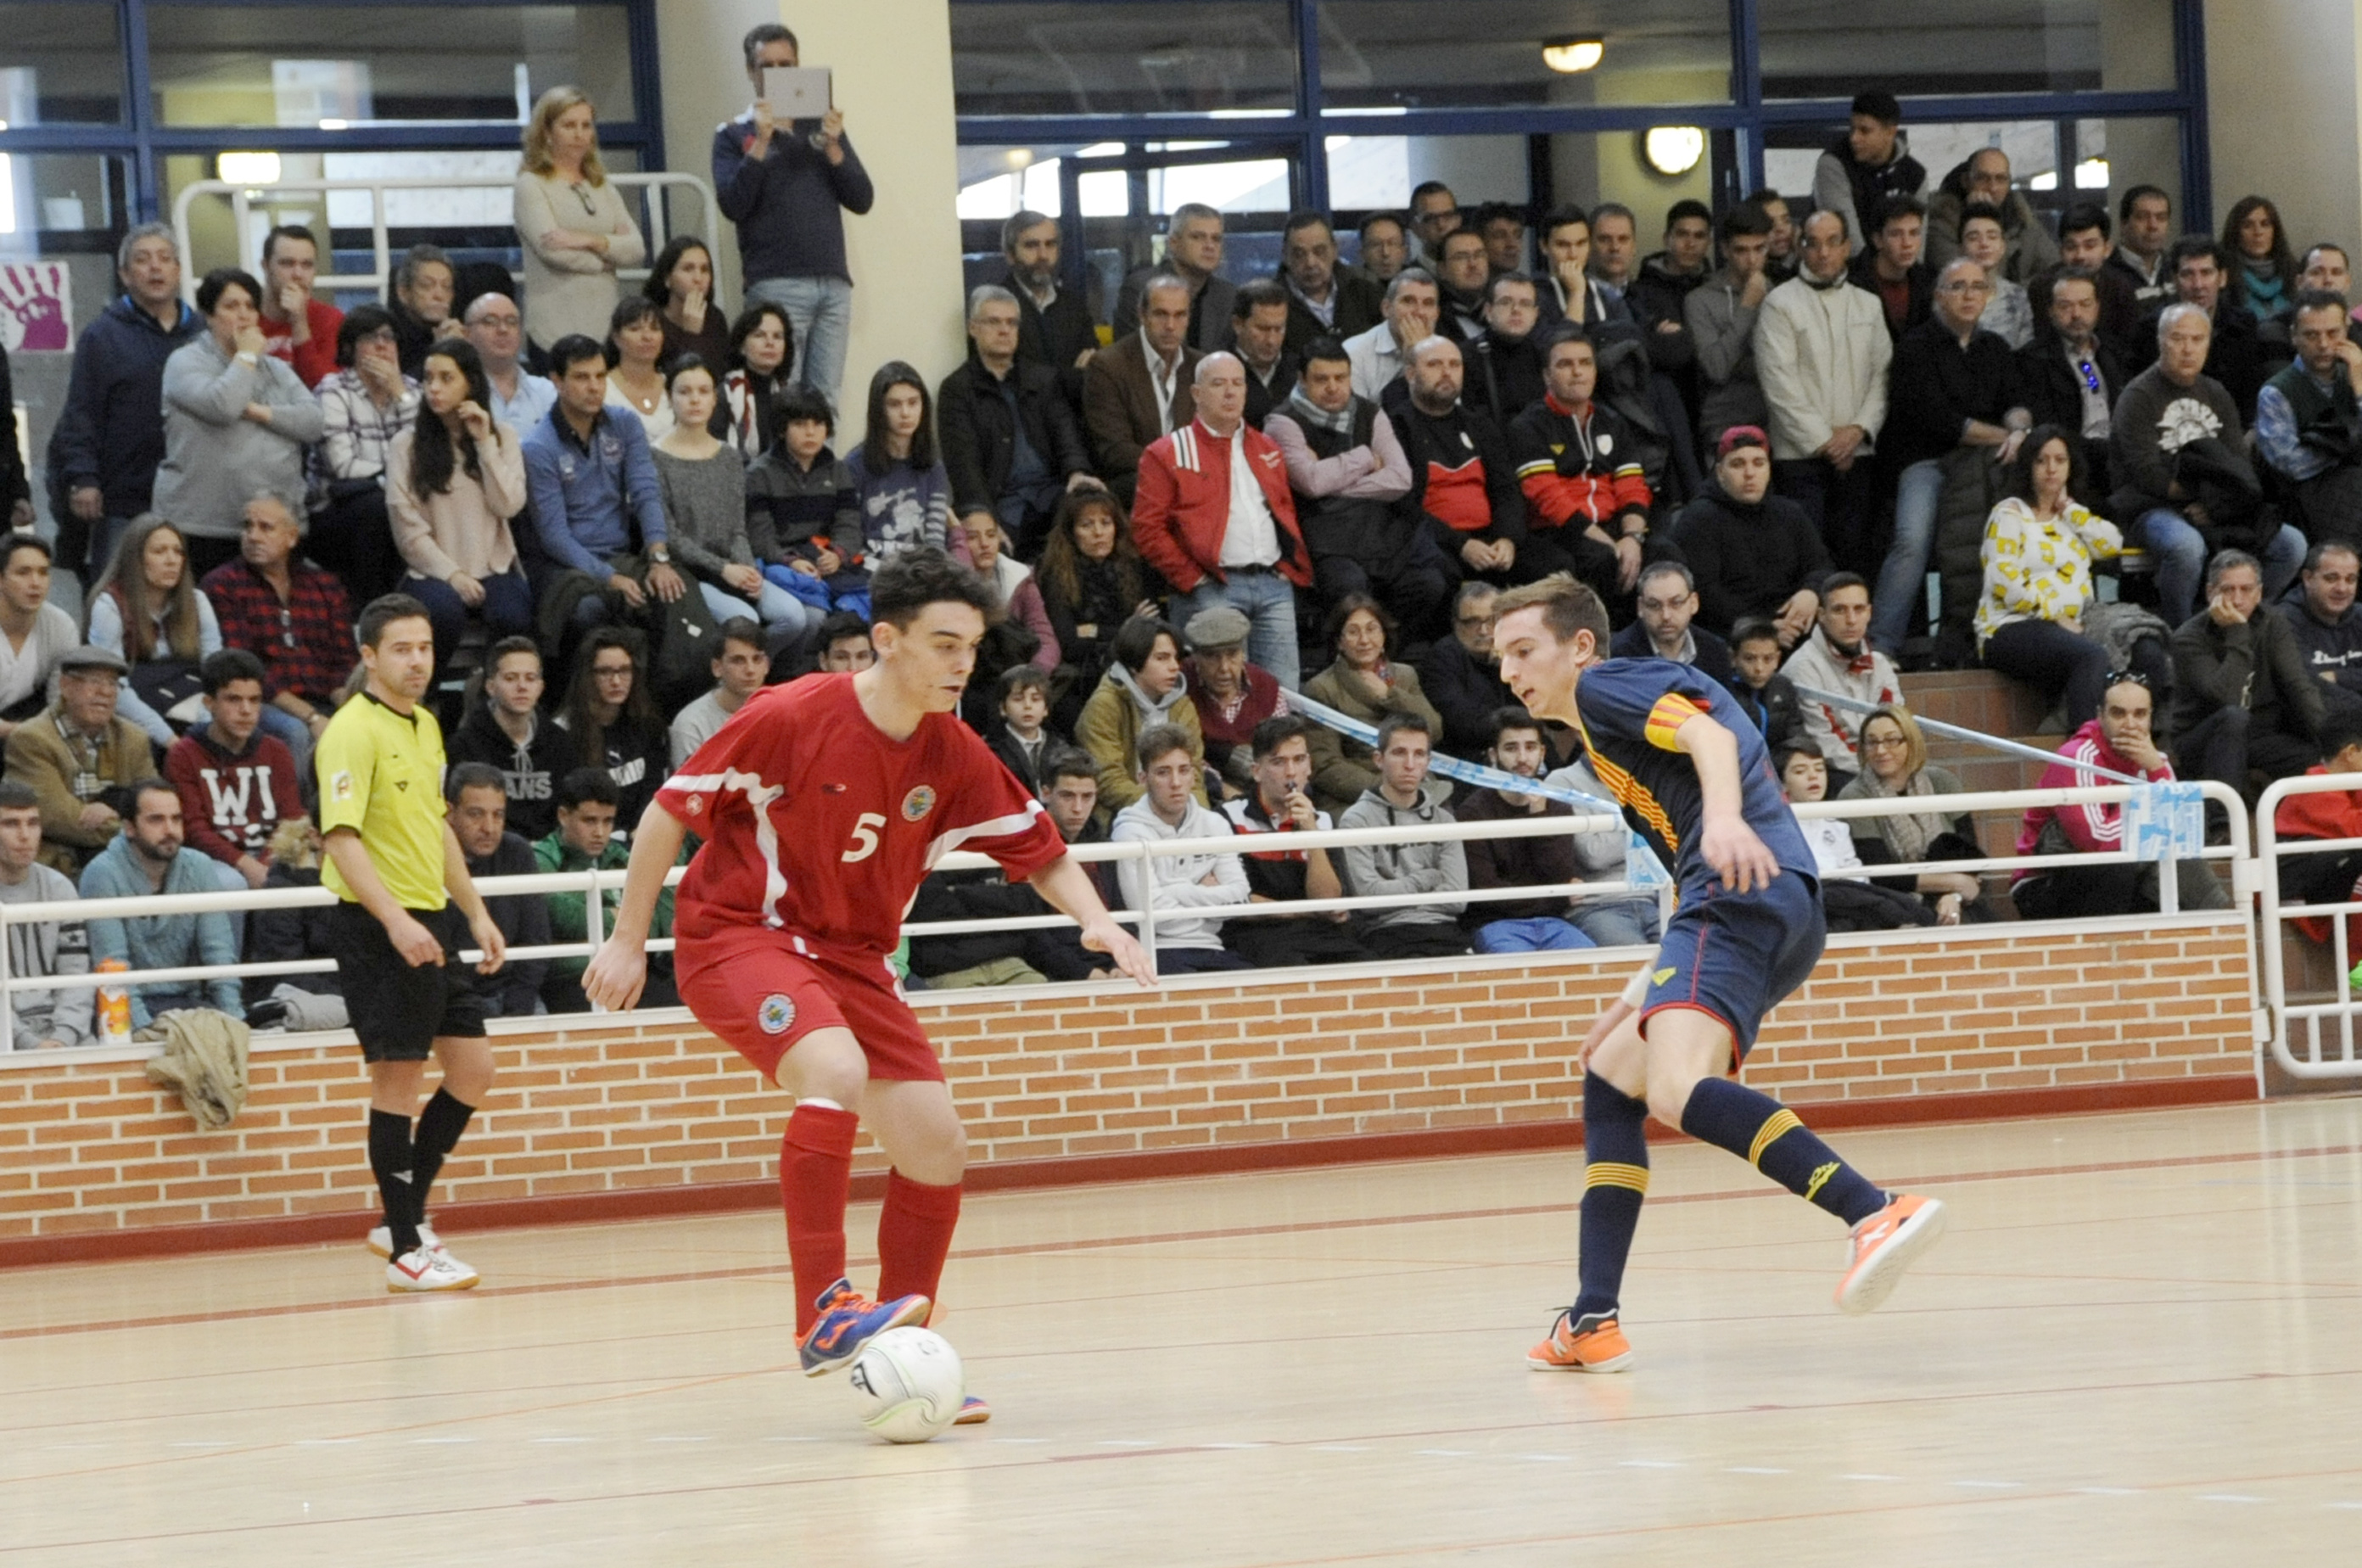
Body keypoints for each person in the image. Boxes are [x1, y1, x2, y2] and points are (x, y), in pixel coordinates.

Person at [580, 549, 1150, 1413]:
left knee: (935, 1144)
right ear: (887, 641)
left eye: (972, 647)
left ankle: (906, 1351)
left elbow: (1040, 850)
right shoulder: (792, 715)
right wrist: (630, 940)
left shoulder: (955, 752)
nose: (963, 664)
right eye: (944, 645)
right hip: (741, 935)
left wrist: (1098, 920)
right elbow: (669, 809)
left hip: (856, 961)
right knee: (835, 1071)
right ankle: (821, 1310)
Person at [1492, 575, 1943, 1375]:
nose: (1509, 672)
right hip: (1761, 901)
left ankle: (1873, 1210)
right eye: (1500, 658)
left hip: (1738, 889)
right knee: (1611, 1074)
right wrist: (1637, 994)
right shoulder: (1603, 731)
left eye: (1525, 650)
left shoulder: (1607, 687)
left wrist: (1726, 819)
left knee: (1672, 1090)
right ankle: (1592, 1318)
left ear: (1581, 647)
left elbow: (1711, 739)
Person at [313, 595, 507, 1290]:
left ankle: (402, 1215)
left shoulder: (426, 726)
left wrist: (476, 912)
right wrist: (395, 920)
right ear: (369, 656)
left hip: (433, 923)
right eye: (401, 648)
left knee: (474, 1068)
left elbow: (436, 829)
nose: (417, 661)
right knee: (397, 1080)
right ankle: (405, 1248)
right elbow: (340, 836)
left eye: (424, 647)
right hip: (380, 926)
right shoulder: (350, 732)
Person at [1873, 258, 2031, 657]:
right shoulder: (1915, 347)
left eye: (1977, 287)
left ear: (1988, 295)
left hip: (1985, 466)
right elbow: (1941, 419)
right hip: (1928, 462)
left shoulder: (1995, 347)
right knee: (1912, 542)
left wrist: (2021, 430)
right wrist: (2006, 435)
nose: (1968, 295)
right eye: (1958, 286)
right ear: (1939, 295)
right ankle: (1880, 646)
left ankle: (1992, 640)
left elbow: (2016, 402)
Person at [2111, 303, 2306, 625]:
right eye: (2178, 339)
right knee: (2186, 547)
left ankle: (2244, 623)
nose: (2188, 349)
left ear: (2208, 344)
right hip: (2152, 508)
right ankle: (2184, 634)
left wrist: (2216, 506)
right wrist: (2211, 501)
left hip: (2217, 506)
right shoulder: (2138, 396)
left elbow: (2238, 464)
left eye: (2197, 340)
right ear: (2161, 341)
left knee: (2292, 545)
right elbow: (2149, 476)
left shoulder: (2217, 393)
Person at [715, 23, 875, 410]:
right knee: (785, 398)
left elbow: (862, 198)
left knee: (826, 402)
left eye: (787, 65)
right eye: (767, 66)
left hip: (833, 284)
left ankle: (820, 473)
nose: (778, 74)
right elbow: (733, 205)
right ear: (752, 72)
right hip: (776, 282)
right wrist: (764, 141)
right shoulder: (733, 134)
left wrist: (834, 147)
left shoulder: (822, 130)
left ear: (799, 67)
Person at [1130, 352, 1310, 690]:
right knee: (1217, 695)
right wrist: (1193, 579)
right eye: (1218, 384)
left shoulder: (1267, 447)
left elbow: (1284, 511)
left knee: (1284, 695)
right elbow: (1146, 528)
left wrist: (1286, 570)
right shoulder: (1166, 451)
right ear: (1196, 393)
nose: (1230, 392)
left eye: (1237, 383)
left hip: (1273, 586)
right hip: (1212, 588)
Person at [1262, 336, 1444, 643]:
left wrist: (1334, 481)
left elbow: (1400, 479)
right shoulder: (1282, 422)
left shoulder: (1370, 413)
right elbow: (1311, 482)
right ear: (1302, 380)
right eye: (1322, 379)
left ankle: (1388, 656)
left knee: (1430, 584)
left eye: (1341, 378)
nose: (1333, 387)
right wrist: (1363, 458)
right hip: (1326, 541)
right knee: (1351, 589)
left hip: (1382, 537)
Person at [2012, 672, 2230, 919]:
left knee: (2169, 858)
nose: (2130, 724)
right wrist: (2157, 818)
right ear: (2100, 716)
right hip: (2043, 881)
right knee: (2120, 865)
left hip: (2115, 876)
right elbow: (2094, 840)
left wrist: (2157, 770)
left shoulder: (2153, 760)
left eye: (2140, 714)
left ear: (2150, 719)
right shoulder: (2077, 757)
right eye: (2118, 713)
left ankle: (2213, 924)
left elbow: (2180, 830)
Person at [49, 223, 201, 576]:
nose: (155, 268)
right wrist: (84, 478)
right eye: (143, 260)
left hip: (190, 497)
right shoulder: (102, 336)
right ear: (125, 274)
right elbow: (80, 413)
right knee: (114, 597)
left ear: (178, 271)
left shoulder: (201, 334)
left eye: (165, 259)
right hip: (122, 496)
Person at [151, 267, 323, 578]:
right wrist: (245, 357)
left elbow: (313, 422)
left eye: (250, 306)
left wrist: (262, 412)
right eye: (231, 307)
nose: (244, 315)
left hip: (273, 526)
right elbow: (224, 405)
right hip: (204, 525)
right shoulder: (185, 362)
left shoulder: (275, 369)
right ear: (209, 316)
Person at [1974, 425, 2144, 731]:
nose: (2051, 469)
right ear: (2028, 466)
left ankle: (2143, 751)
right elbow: (2005, 583)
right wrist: (2053, 615)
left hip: (2071, 625)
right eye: (2041, 461)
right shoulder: (2009, 515)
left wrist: (2069, 509)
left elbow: (2112, 544)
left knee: (2147, 649)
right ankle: (2083, 758)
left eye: (2060, 460)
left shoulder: (2071, 517)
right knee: (2090, 656)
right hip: (2009, 626)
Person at [1755, 209, 1891, 578]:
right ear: (1800, 249)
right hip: (1799, 458)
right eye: (1813, 244)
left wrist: (1858, 430)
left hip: (1859, 453)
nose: (1824, 253)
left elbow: (1882, 377)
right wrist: (1826, 442)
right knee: (1806, 562)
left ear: (1848, 246)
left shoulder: (1869, 304)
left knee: (1856, 558)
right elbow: (1779, 385)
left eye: (1833, 242)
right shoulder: (1779, 304)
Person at [386, 338, 535, 673]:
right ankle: (428, 697)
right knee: (442, 613)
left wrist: (484, 445)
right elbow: (407, 530)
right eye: (428, 378)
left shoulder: (504, 437)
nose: (434, 388)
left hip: (493, 565)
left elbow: (509, 505)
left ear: (471, 382)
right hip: (431, 569)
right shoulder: (405, 446)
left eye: (446, 378)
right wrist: (452, 574)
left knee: (513, 617)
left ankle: (492, 701)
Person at [520, 334, 685, 634]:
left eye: (600, 376)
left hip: (621, 552)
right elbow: (555, 537)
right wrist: (609, 577)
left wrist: (659, 557)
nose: (594, 387)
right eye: (582, 378)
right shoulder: (538, 446)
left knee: (673, 594)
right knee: (591, 610)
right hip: (564, 565)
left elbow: (646, 492)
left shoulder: (625, 423)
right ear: (557, 382)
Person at [654, 356, 819, 641]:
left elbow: (737, 530)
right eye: (684, 391)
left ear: (715, 398)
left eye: (704, 391)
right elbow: (672, 538)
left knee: (793, 616)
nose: (695, 400)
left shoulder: (729, 456)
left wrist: (749, 572)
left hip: (732, 565)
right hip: (688, 572)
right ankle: (732, 679)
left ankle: (753, 675)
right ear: (669, 397)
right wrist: (725, 569)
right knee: (746, 621)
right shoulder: (655, 457)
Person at [937, 286, 1096, 548]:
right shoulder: (957, 390)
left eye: (1012, 323)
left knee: (1095, 518)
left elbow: (1065, 432)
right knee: (987, 549)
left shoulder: (1043, 379)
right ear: (973, 328)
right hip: (1001, 502)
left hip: (1050, 494)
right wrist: (984, 518)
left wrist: (1077, 472)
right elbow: (964, 467)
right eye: (994, 322)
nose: (1005, 330)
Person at [79, 778, 243, 1027]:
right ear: (129, 827)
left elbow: (218, 951)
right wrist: (146, 1032)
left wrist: (235, 1020)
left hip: (188, 1003)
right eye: (156, 820)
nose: (170, 830)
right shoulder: (102, 873)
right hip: (124, 1012)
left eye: (176, 819)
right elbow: (112, 966)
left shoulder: (199, 866)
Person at [1215, 713, 1370, 969]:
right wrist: (1304, 911)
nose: (1291, 773)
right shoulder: (1227, 818)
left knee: (1365, 966)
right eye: (1278, 762)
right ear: (1257, 771)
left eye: (1299, 760)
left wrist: (1310, 832)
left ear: (1309, 766)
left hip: (1316, 932)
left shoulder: (1322, 821)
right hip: (1256, 934)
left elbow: (1328, 903)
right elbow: (1236, 900)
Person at [1508, 331, 1651, 606]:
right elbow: (1548, 498)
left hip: (1613, 526)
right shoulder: (1528, 426)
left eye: (1585, 363)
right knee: (1605, 560)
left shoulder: (1613, 422)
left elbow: (1632, 486)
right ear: (1547, 376)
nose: (1577, 372)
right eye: (1565, 365)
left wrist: (1632, 538)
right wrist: (1609, 543)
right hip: (1558, 532)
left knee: (1664, 555)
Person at [2172, 548, 2324, 795]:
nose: (2237, 599)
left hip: (2258, 736)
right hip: (2203, 738)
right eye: (2227, 589)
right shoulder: (2188, 638)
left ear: (2259, 593)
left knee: (2316, 757)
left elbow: (2297, 684)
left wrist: (2333, 742)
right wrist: (2238, 633)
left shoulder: (2273, 622)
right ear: (2210, 592)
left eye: (2246, 589)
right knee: (2234, 717)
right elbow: (2226, 697)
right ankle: (2222, 824)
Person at [1456, 708, 1603, 954]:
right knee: (1517, 967)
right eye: (1511, 748)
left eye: (1531, 747)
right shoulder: (1472, 811)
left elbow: (1561, 875)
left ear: (1543, 752)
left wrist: (1540, 815)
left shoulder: (1555, 806)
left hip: (1555, 923)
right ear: (1494, 755)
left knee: (1588, 961)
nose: (1523, 758)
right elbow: (1486, 890)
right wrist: (1552, 897)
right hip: (1496, 924)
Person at [1109, 724, 1252, 974]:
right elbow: (1152, 914)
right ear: (1143, 779)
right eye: (1163, 772)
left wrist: (1178, 890)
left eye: (1183, 770)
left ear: (1194, 775)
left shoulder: (1215, 824)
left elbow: (1240, 897)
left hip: (1215, 947)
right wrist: (1207, 898)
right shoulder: (1129, 832)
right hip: (1156, 950)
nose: (1176, 783)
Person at [1668, 427, 1829, 644]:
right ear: (1720, 472)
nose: (1750, 473)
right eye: (1737, 464)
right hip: (1731, 635)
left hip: (1794, 628)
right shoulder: (1699, 519)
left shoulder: (1790, 513)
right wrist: (1765, 628)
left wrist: (1811, 592)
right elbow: (1706, 595)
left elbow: (1822, 566)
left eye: (1759, 463)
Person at [514, 86, 644, 350]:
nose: (579, 134)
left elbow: (636, 249)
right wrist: (608, 258)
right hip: (554, 332)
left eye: (586, 125)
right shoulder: (531, 184)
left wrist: (589, 240)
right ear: (547, 132)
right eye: (569, 125)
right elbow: (555, 252)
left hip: (605, 327)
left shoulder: (602, 186)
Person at [536, 767, 675, 1014]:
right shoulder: (542, 858)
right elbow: (556, 916)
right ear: (563, 815)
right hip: (568, 981)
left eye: (607, 821)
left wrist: (587, 917)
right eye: (589, 821)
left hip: (628, 976)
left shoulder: (621, 856)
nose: (600, 832)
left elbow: (653, 924)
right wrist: (624, 920)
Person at [1397, 335, 1532, 588]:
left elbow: (1506, 489)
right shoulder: (1397, 427)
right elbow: (1405, 507)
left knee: (1553, 565)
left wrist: (1507, 539)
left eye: (1455, 365)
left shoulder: (1479, 424)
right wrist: (1461, 545)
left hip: (1490, 536)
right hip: (1437, 542)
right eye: (1434, 365)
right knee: (1439, 580)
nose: (1447, 372)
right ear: (1410, 374)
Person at [165, 649, 305, 892]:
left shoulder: (276, 751)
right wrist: (245, 865)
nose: (246, 711)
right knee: (230, 883)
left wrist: (266, 864)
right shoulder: (184, 755)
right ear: (209, 703)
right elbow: (194, 830)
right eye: (234, 699)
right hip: (212, 860)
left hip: (271, 856)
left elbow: (291, 818)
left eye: (254, 700)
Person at [306, 305, 419, 604]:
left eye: (389, 337)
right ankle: (369, 607)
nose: (382, 345)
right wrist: (394, 478)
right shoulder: (333, 391)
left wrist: (401, 396)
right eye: (371, 338)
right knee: (376, 507)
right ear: (350, 348)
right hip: (337, 508)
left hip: (398, 500)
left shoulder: (411, 390)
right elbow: (344, 467)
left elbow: (427, 458)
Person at [4, 647, 153, 875]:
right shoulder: (30, 739)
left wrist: (118, 817)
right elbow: (59, 818)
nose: (105, 692)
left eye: (113, 684)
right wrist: (130, 825)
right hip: (60, 862)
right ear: (65, 686)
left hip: (128, 860)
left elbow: (156, 807)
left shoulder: (134, 739)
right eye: (94, 681)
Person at [1335, 714, 1469, 960]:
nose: (1410, 764)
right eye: (1399, 753)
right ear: (1379, 759)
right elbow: (1370, 898)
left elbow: (1457, 899)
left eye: (1419, 754)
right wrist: (1425, 878)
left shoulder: (1444, 820)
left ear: (1428, 762)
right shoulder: (1356, 820)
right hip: (1386, 933)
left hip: (1444, 930)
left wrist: (1396, 896)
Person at [1837, 707, 1986, 924]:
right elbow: (1881, 874)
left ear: (1911, 741)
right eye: (1872, 742)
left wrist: (1952, 895)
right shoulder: (1854, 796)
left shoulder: (1943, 782)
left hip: (1954, 896)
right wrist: (1956, 882)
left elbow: (1969, 856)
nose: (1880, 751)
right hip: (1894, 900)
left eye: (1891, 740)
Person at [1302, 595, 1444, 818]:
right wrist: (1387, 789)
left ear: (1384, 635)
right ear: (1339, 642)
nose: (1364, 640)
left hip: (1412, 782)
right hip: (1355, 796)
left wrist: (1391, 695)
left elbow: (1433, 731)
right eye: (1353, 632)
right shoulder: (1322, 688)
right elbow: (1325, 766)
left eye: (1372, 629)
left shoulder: (1405, 676)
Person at [86, 515, 221, 751]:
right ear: (135, 559)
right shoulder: (110, 606)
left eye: (178, 552)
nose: (172, 560)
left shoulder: (197, 600)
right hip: (135, 710)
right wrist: (169, 739)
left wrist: (206, 724)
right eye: (159, 552)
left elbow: (216, 669)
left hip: (195, 705)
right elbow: (112, 687)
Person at [1034, 484, 1160, 732]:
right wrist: (1126, 628)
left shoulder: (1135, 566)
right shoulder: (1055, 573)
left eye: (1105, 522)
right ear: (1071, 532)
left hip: (1132, 670)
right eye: (1087, 525)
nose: (1099, 532)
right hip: (1081, 677)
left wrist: (1093, 630)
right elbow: (1069, 643)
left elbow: (1148, 634)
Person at [1778, 742, 1934, 932]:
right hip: (1810, 893)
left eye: (1819, 769)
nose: (1813, 776)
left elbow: (1854, 871)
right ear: (1782, 783)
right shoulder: (1776, 826)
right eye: (1800, 771)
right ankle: (1906, 920)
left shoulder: (1837, 825)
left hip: (1845, 896)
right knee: (1879, 909)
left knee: (1864, 914)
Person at [747, 386, 869, 615]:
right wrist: (791, 561)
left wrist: (837, 554)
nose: (811, 432)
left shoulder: (838, 470)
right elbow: (760, 538)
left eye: (818, 424)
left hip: (828, 563)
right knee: (814, 617)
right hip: (783, 567)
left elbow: (850, 526)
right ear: (783, 430)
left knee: (861, 610)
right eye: (800, 425)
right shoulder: (759, 474)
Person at [446, 636, 580, 843]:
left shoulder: (560, 743)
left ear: (541, 687)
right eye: (511, 678)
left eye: (530, 678)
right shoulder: (464, 745)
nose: (522, 687)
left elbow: (570, 810)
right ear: (491, 686)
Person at [1083, 273, 1202, 504]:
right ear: (1142, 314)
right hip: (1136, 491)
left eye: (1179, 315)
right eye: (1161, 314)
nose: (1170, 326)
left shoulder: (1201, 367)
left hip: (1194, 494)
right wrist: (1176, 470)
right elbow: (1114, 450)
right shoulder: (1108, 365)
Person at [444, 762, 550, 1020]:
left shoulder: (517, 851)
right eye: (475, 814)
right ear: (449, 813)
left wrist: (517, 1008)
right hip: (452, 1000)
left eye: (498, 815)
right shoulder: (429, 857)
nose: (489, 827)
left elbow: (536, 940)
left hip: (514, 993)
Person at [2256, 290, 2362, 544]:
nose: (2324, 344)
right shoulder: (2276, 392)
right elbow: (2291, 464)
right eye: (2312, 335)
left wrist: (2359, 389)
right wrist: (2345, 448)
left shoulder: (2356, 375)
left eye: (2333, 333)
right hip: (2306, 507)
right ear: (2294, 336)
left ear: (2346, 331)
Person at [2015, 268, 2124, 508]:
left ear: (2097, 307)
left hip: (2120, 460)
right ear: (2051, 312)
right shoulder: (2032, 360)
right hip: (2074, 466)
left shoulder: (2114, 353)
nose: (2076, 314)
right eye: (2065, 306)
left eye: (2085, 304)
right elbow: (2048, 428)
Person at [1076, 615, 1205, 818]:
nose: (1175, 667)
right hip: (1119, 819)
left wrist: (1196, 819)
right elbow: (1107, 779)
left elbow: (1195, 775)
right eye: (1162, 658)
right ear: (1135, 665)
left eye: (1175, 657)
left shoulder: (1183, 706)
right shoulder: (1104, 705)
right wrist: (1161, 807)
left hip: (1179, 813)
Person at [0, 780, 95, 1051]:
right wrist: (29, 1043)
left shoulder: (59, 887)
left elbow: (77, 974)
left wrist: (63, 1036)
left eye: (33, 823)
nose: (25, 835)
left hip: (62, 1031)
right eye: (11, 824)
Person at [1782, 574, 1900, 786]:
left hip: (1881, 766)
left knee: (1941, 782)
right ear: (1821, 615)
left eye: (1859, 609)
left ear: (1869, 613)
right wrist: (1878, 772)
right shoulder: (1802, 667)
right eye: (1839, 610)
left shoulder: (1881, 664)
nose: (1851, 620)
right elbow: (1826, 742)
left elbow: (1897, 728)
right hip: (1833, 773)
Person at [2134, 239, 2270, 423]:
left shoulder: (2244, 325)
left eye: (2206, 273)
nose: (2198, 285)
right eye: (2188, 274)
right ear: (2174, 280)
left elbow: (2251, 392)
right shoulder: (2152, 327)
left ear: (2222, 278)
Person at [556, 626, 669, 832]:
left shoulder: (648, 726)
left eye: (624, 671)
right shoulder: (562, 733)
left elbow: (654, 792)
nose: (616, 681)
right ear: (587, 675)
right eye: (605, 672)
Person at [846, 362, 952, 563]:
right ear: (879, 409)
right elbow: (849, 533)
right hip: (868, 570)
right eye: (894, 404)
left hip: (919, 572)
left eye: (913, 403)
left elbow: (935, 539)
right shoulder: (855, 465)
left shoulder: (933, 466)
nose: (905, 413)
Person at [1685, 204, 1773, 446]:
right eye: (1742, 251)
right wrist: (1747, 307)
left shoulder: (1780, 295)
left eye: (1759, 249)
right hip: (1725, 423)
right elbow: (1716, 368)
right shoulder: (1700, 300)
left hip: (1777, 421)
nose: (1752, 260)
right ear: (1725, 250)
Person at [999, 210, 1100, 407]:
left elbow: (1095, 371)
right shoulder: (996, 308)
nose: (1043, 255)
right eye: (1031, 245)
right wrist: (1073, 375)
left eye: (1050, 244)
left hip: (1073, 422)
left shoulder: (1074, 306)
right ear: (1010, 255)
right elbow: (1013, 379)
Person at [1811, 91, 1927, 260]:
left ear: (1890, 132)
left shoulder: (1916, 174)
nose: (1854, 138)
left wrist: (1912, 277)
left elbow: (1918, 245)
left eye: (1864, 131)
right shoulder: (1834, 164)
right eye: (1853, 128)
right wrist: (1873, 279)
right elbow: (1845, 237)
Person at [1184, 604, 1283, 793]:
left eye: (1232, 655)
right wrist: (1222, 788)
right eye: (1212, 657)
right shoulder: (1181, 687)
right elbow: (1182, 756)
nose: (1224, 668)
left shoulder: (1266, 687)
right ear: (1195, 657)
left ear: (1243, 653)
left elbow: (1280, 750)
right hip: (1200, 789)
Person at [1924, 147, 2059, 283]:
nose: (1993, 188)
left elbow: (2055, 271)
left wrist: (2018, 292)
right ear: (1966, 181)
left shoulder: (2023, 219)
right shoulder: (1942, 224)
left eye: (2001, 179)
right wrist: (1976, 215)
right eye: (1983, 179)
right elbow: (1963, 279)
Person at [1114, 203, 1234, 355]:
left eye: (1216, 239)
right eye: (1198, 237)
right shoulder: (1142, 287)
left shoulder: (1227, 295)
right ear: (1173, 243)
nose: (1210, 246)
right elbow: (1130, 355)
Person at [1419, 581, 1516, 757]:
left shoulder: (1513, 653)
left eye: (1493, 619)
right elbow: (1462, 724)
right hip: (1468, 758)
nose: (1484, 630)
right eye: (1472, 622)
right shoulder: (1441, 658)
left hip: (1516, 749)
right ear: (1456, 624)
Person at [0, 534, 80, 739]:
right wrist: (24, 732)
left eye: (43, 573)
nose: (36, 583)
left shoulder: (61, 626)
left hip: (23, 719)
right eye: (23, 572)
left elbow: (60, 703)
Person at [1609, 561, 1734, 684]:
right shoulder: (1618, 656)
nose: (1666, 615)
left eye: (1676, 603)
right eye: (1654, 605)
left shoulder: (1715, 651)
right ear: (1640, 607)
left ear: (1693, 603)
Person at [1278, 210, 1384, 355]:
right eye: (1299, 254)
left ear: (1334, 250)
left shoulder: (1364, 292)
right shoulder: (1272, 304)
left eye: (1319, 251)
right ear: (1285, 255)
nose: (1310, 263)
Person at [2279, 542, 2362, 723]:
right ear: (2308, 578)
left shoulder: (2360, 616)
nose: (2342, 588)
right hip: (2312, 727)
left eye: (2350, 579)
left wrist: (2338, 676)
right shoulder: (2283, 620)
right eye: (2331, 578)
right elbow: (2308, 685)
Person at [670, 619, 770, 767]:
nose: (750, 670)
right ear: (717, 668)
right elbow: (691, 788)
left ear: (767, 665)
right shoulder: (692, 724)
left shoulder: (782, 712)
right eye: (738, 661)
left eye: (757, 659)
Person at [255, 224, 342, 389]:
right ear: (266, 267)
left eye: (307, 265)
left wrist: (299, 321)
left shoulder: (330, 319)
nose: (298, 274)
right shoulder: (245, 316)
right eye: (287, 264)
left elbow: (325, 389)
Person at [2053, 202, 2145, 356]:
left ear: (2107, 249)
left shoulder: (2121, 288)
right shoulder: (2044, 287)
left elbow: (2129, 349)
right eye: (2071, 247)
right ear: (2061, 250)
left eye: (2090, 246)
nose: (2080, 255)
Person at [462, 293, 556, 433]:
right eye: (490, 321)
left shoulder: (546, 392)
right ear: (467, 334)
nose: (503, 329)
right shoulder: (459, 391)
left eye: (511, 322)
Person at [1344, 267, 1439, 404]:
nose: (1419, 312)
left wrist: (1421, 356)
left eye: (1428, 303)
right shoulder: (1354, 353)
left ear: (1437, 313)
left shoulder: (1447, 352)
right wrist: (1414, 360)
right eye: (1408, 301)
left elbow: (1447, 413)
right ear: (1386, 308)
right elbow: (1360, 419)